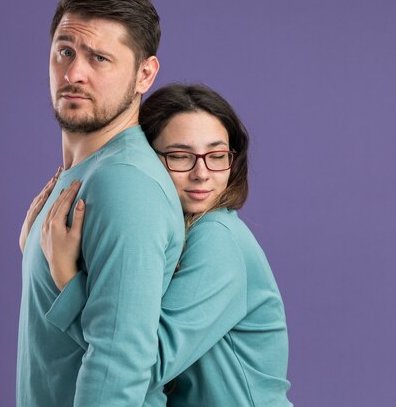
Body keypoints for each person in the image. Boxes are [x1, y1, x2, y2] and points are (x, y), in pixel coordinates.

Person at [31, 84, 293, 406]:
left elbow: (142, 363)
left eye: (217, 156)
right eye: (180, 156)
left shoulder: (217, 237)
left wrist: (63, 278)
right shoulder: (173, 233)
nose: (201, 173)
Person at [16, 0, 185, 407]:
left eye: (100, 58)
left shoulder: (125, 183)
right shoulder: (89, 173)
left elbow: (119, 365)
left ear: (144, 74)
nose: (74, 73)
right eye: (64, 51)